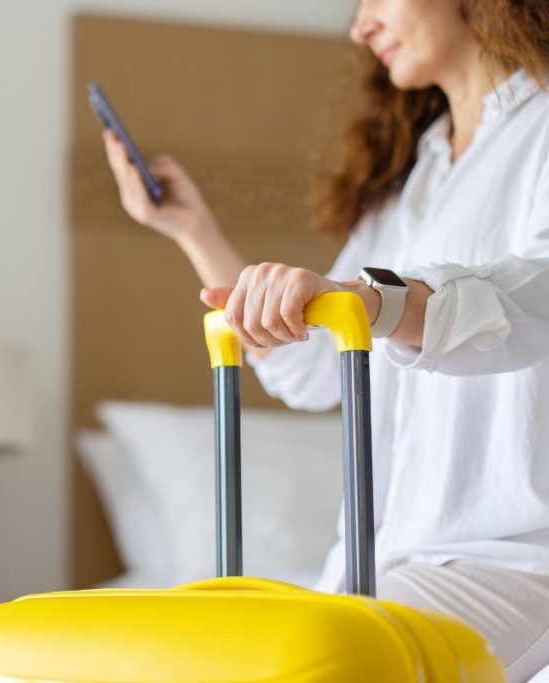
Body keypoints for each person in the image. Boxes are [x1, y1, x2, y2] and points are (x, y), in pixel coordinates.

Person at [102, 1, 549, 680]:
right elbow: (312, 369)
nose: (361, 27)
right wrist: (193, 230)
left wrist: (377, 302)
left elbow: (530, 298)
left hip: (506, 556)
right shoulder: (418, 176)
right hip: (379, 558)